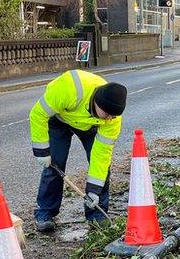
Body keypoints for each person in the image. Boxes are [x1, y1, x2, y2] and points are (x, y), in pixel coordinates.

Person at [29, 70, 126, 231]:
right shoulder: (68, 88)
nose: (110, 118)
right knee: (55, 164)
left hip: (90, 126)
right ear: (97, 102)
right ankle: (45, 212)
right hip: (59, 120)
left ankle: (96, 214)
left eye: (113, 116)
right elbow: (37, 114)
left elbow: (101, 157)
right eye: (108, 114)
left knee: (103, 168)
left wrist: (94, 190)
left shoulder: (111, 119)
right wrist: (42, 151)